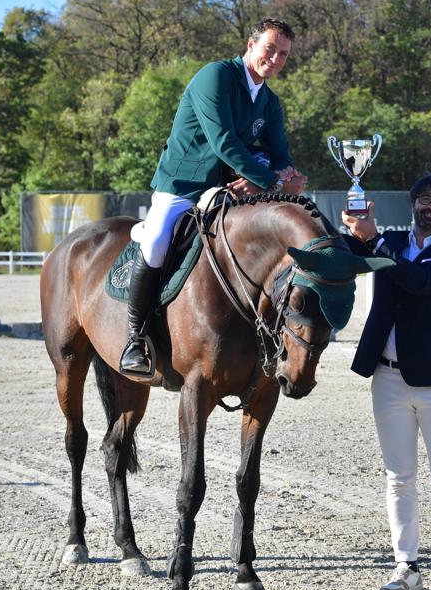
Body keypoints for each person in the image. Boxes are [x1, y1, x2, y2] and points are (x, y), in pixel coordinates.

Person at [119, 18, 309, 376]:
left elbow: (280, 154)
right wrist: (270, 181)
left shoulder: (269, 101)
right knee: (158, 240)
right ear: (251, 45)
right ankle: (135, 338)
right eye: (270, 48)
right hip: (184, 183)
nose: (275, 58)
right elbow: (224, 142)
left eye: (283, 54)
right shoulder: (215, 76)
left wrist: (288, 176)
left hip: (230, 187)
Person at [341, 173, 431, 590]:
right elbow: (347, 251)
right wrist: (353, 220)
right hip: (386, 377)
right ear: (412, 204)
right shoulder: (393, 241)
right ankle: (407, 567)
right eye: (424, 198)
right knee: (398, 477)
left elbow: (419, 282)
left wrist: (375, 241)